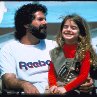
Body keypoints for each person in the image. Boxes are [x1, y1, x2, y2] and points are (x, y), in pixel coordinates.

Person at [0, 3, 95, 95]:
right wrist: (24, 84)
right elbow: (8, 79)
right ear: (26, 24)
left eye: (45, 19)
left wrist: (86, 82)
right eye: (40, 19)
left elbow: (76, 67)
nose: (45, 22)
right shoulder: (9, 49)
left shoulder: (54, 45)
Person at [48, 14, 97, 95]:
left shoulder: (84, 51)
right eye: (65, 27)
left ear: (81, 32)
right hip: (58, 87)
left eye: (73, 28)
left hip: (77, 89)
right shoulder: (55, 52)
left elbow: (83, 75)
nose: (68, 29)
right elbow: (51, 72)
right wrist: (52, 85)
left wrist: (65, 88)